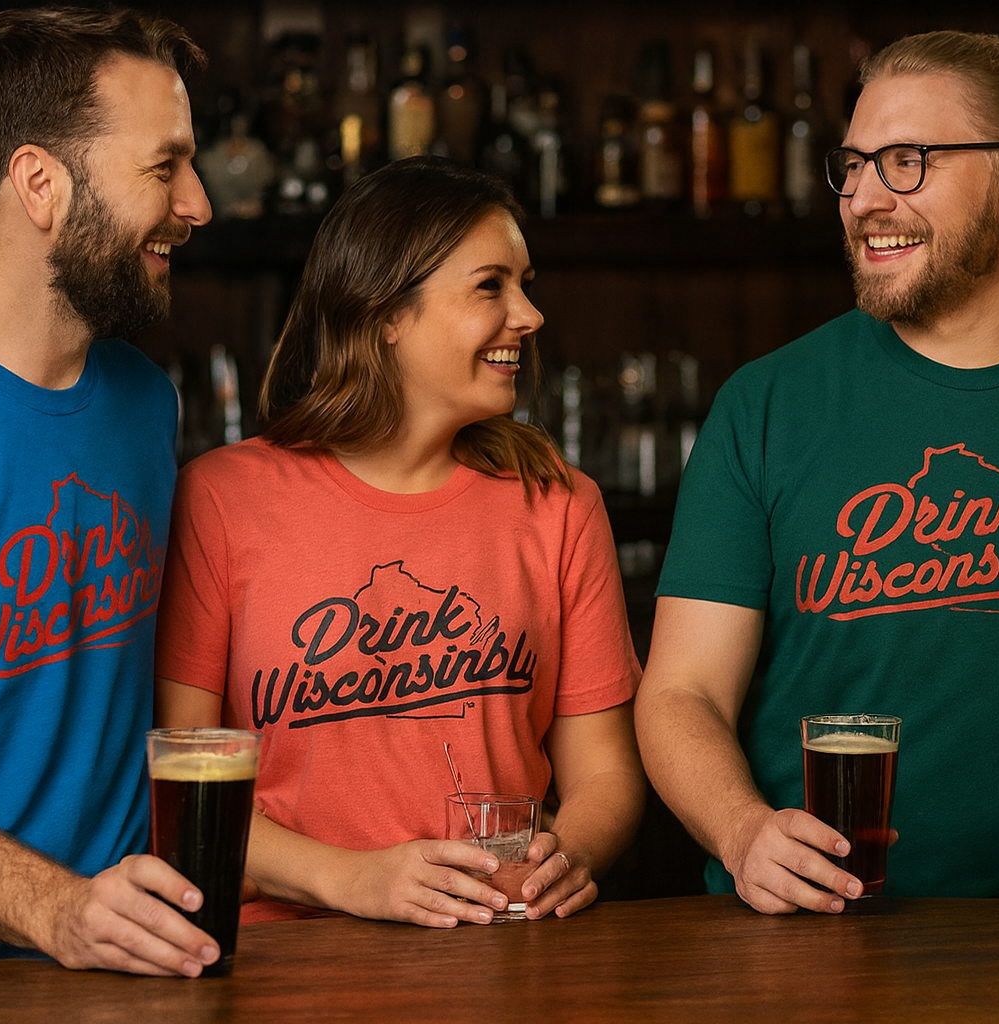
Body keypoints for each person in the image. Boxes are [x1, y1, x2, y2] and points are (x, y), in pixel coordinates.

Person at [635, 29, 999, 914]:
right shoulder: (766, 406)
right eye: (853, 166)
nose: (863, 199)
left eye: (907, 162)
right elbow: (681, 692)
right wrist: (742, 831)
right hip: (805, 937)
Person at [153, 156, 645, 928]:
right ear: (385, 313)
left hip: (498, 951)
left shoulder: (559, 504)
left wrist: (569, 856)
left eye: (524, 284)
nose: (529, 315)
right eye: (490, 286)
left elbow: (606, 773)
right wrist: (355, 879)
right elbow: (188, 800)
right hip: (287, 964)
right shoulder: (221, 500)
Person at [0, 6, 218, 1019]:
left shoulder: (144, 403)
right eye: (164, 167)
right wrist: (58, 910)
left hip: (132, 972)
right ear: (40, 183)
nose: (198, 205)